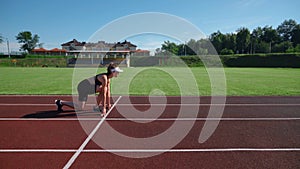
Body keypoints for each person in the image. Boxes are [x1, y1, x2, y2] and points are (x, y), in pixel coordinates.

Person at [55, 63, 123, 116]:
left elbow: (108, 92)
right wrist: (104, 108)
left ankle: (96, 107)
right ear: (112, 72)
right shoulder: (104, 78)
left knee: (104, 90)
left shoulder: (108, 79)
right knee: (80, 108)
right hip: (83, 87)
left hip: (90, 88)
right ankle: (60, 102)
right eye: (117, 72)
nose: (119, 73)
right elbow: (104, 94)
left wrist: (108, 104)